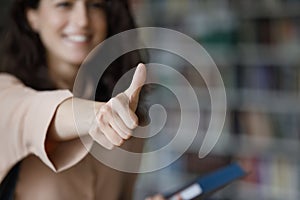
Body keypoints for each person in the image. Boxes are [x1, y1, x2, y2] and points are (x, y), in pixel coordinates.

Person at [0, 0, 154, 199]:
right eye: (64, 4)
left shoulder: (128, 115)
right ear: (32, 16)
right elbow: (34, 113)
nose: (82, 21)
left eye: (95, 5)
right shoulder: (6, 94)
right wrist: (99, 115)